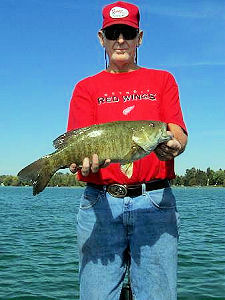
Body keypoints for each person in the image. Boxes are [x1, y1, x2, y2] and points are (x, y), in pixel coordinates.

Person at [67, 1, 188, 300]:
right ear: (101, 38)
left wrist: (175, 145)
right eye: (113, 32)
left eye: (128, 32)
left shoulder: (163, 80)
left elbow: (177, 132)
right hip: (99, 205)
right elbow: (78, 144)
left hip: (156, 204)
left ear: (139, 37)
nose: (120, 40)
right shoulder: (86, 87)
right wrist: (79, 164)